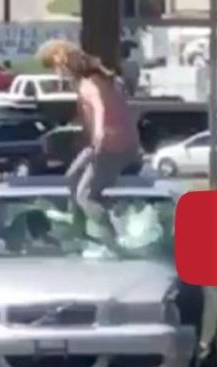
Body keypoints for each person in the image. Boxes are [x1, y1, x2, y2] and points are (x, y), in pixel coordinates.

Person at [35, 39, 142, 247]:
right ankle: (79, 226)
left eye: (57, 69)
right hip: (113, 143)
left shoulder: (91, 83)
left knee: (85, 196)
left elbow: (101, 107)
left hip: (112, 146)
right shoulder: (100, 80)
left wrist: (99, 134)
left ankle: (113, 241)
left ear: (66, 65)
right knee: (72, 175)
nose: (58, 74)